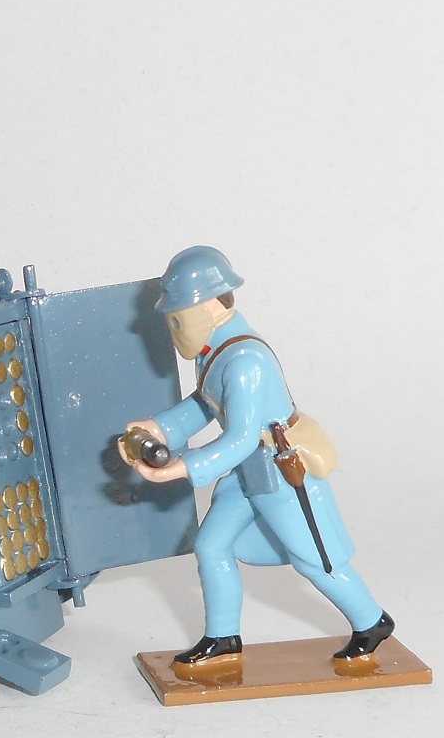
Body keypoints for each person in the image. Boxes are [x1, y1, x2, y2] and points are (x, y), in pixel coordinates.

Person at [121, 245, 396, 676]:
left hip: (282, 473)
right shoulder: (217, 351)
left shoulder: (244, 361)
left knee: (316, 560)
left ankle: (371, 621)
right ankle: (222, 638)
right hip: (249, 473)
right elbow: (205, 403)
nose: (174, 325)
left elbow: (241, 437)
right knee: (212, 545)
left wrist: (183, 467)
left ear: (211, 306)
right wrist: (160, 429)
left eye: (179, 315)